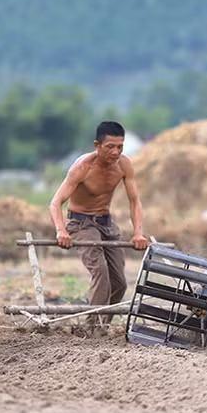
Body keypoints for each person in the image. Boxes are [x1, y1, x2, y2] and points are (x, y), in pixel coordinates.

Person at [49, 121, 148, 325]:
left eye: (120, 147)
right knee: (100, 273)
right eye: (110, 147)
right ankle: (90, 327)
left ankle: (103, 325)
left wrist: (138, 233)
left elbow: (134, 201)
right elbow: (55, 203)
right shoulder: (82, 167)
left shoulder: (124, 165)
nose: (115, 152)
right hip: (81, 224)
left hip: (106, 223)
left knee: (119, 283)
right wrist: (61, 231)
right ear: (97, 145)